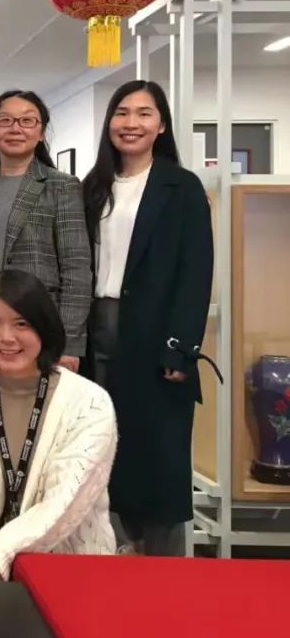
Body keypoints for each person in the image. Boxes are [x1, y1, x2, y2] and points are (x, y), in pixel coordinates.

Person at [82, 80, 213, 557]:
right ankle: (106, 550)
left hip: (155, 330)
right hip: (96, 325)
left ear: (161, 126)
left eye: (143, 113)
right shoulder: (93, 186)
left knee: (154, 451)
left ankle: (160, 564)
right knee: (99, 441)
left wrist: (180, 347)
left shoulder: (182, 187)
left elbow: (196, 272)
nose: (131, 123)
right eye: (122, 112)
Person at [0, 270, 117, 582]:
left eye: (21, 324)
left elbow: (65, 500)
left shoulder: (90, 403)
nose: (6, 337)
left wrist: (1, 553)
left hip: (71, 570)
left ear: (43, 326)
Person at [0, 90, 90, 375]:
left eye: (27, 121)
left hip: (36, 323)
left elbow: (76, 268)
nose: (15, 128)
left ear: (41, 132)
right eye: (5, 120)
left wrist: (70, 342)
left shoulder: (61, 186)